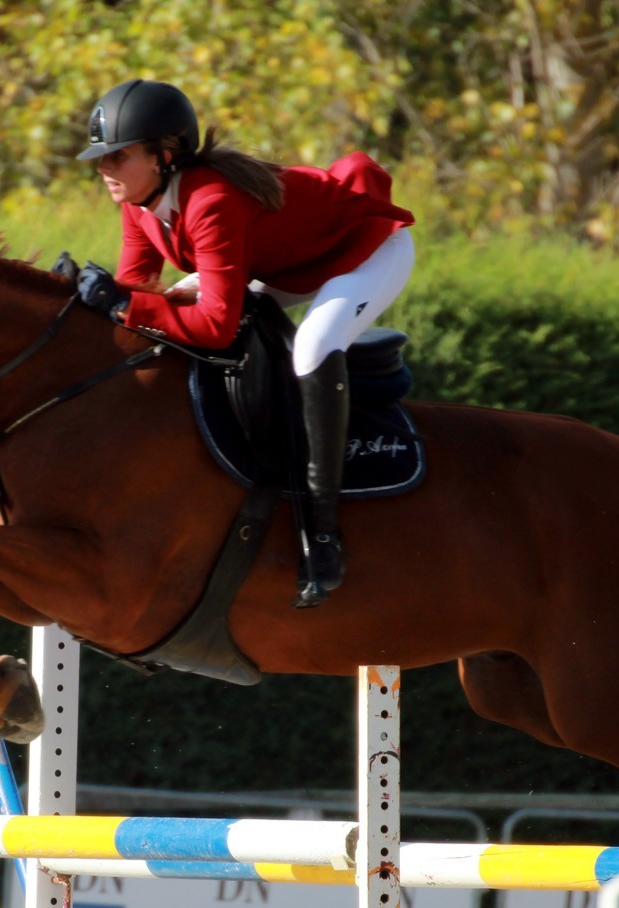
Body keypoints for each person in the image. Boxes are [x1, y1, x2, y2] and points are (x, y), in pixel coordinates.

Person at [73, 79, 416, 606]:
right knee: (174, 305)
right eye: (102, 157)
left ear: (164, 155)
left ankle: (322, 536)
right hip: (288, 262)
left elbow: (215, 326)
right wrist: (82, 300)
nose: (104, 168)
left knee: (313, 346)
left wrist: (122, 304)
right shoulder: (139, 204)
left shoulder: (211, 199)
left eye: (117, 156)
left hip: (365, 249)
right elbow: (140, 295)